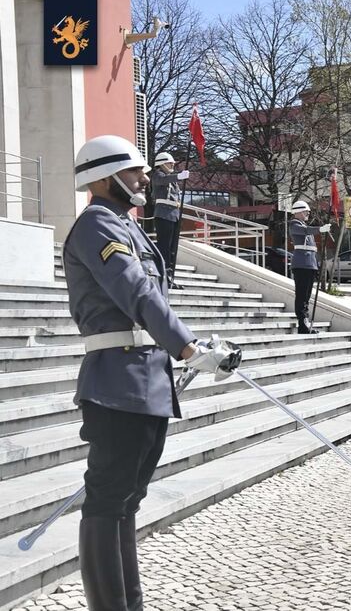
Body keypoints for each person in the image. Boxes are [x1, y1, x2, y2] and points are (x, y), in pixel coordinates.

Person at [64, 135, 242, 610]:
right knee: (106, 505)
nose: (145, 178)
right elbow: (137, 293)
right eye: (135, 170)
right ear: (104, 178)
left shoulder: (126, 225)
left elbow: (151, 298)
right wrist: (186, 347)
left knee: (126, 504)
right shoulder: (97, 225)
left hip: (146, 382)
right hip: (116, 385)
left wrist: (191, 348)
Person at [288, 201, 330, 334]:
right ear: (299, 212)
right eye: (306, 212)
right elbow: (306, 231)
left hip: (309, 264)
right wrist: (320, 229)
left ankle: (305, 322)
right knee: (301, 296)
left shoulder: (303, 225)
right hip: (301, 264)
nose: (307, 214)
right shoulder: (294, 224)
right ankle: (302, 323)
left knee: (306, 296)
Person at [150, 152, 189, 289]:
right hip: (163, 214)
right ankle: (164, 275)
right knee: (164, 247)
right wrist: (179, 176)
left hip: (174, 214)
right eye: (169, 163)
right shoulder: (157, 175)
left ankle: (170, 277)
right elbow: (162, 181)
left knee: (173, 249)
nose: (172, 164)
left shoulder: (171, 179)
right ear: (161, 164)